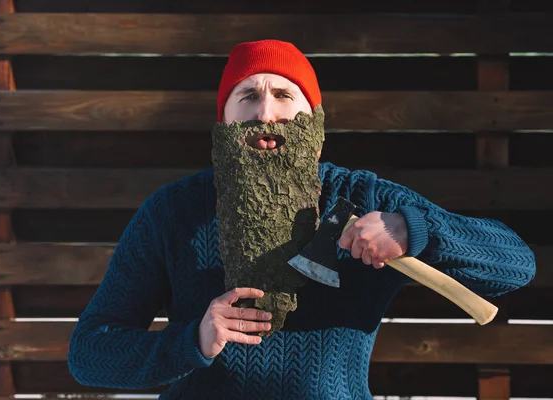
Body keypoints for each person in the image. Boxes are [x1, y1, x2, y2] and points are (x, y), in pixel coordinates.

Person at [67, 39, 536, 399]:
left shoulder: (363, 196)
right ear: (224, 121)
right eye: (247, 96)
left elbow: (516, 265)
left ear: (313, 119)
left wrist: (412, 230)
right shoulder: (174, 210)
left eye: (283, 95)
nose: (266, 113)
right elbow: (90, 353)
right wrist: (191, 341)